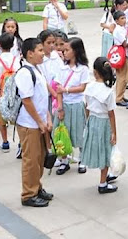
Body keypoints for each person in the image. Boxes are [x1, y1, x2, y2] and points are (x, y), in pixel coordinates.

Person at [16, 38, 54, 207]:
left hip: (39, 122)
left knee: (40, 158)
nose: (43, 53)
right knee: (31, 160)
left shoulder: (36, 69)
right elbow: (27, 101)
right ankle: (28, 194)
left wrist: (47, 117)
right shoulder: (25, 73)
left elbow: (40, 98)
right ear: (29, 54)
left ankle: (37, 187)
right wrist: (39, 121)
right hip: (29, 124)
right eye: (39, 50)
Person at [82, 58, 119, 194]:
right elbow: (111, 114)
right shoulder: (108, 92)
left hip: (92, 120)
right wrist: (114, 132)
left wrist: (87, 121)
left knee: (97, 148)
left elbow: (86, 107)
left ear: (95, 72)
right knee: (106, 151)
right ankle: (103, 182)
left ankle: (103, 179)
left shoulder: (89, 87)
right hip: (104, 123)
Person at [54, 37, 90, 175]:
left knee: (80, 132)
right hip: (65, 105)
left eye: (67, 50)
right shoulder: (62, 68)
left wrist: (66, 90)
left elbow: (82, 87)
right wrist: (60, 107)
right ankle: (64, 160)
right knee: (64, 132)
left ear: (76, 51)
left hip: (77, 104)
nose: (64, 52)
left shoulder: (83, 69)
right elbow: (58, 89)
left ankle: (82, 160)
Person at [0, 32, 19, 152]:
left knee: (1, 120)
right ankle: (20, 143)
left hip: (0, 94)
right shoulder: (16, 60)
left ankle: (5, 142)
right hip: (14, 94)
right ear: (12, 46)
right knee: (17, 118)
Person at [113, 11, 128, 109]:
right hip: (121, 54)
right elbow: (125, 43)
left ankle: (121, 96)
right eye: (121, 18)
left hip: (123, 54)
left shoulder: (122, 28)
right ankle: (119, 98)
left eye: (124, 18)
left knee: (123, 76)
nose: (124, 20)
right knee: (121, 77)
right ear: (116, 21)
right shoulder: (118, 30)